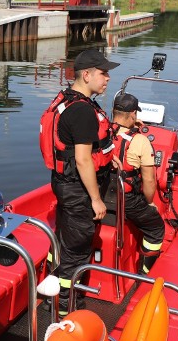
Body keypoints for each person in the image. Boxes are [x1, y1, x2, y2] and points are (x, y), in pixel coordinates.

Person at [40, 49, 119, 316]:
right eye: (103, 73)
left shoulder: (66, 99)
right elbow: (84, 160)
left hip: (63, 182)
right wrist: (96, 199)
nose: (107, 78)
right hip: (78, 190)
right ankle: (66, 306)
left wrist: (109, 158)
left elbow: (82, 147)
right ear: (86, 75)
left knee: (64, 239)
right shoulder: (82, 112)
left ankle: (53, 290)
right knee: (77, 248)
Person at [109, 93, 165, 274]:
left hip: (101, 193)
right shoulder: (140, 141)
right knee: (156, 227)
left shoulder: (101, 131)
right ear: (133, 114)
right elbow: (149, 180)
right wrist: (149, 203)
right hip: (126, 200)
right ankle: (145, 272)